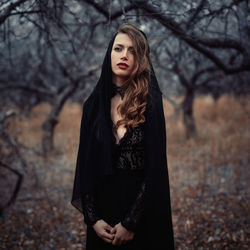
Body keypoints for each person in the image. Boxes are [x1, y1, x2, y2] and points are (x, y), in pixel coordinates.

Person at [71, 23, 175, 250]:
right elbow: (85, 164)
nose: (124, 55)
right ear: (109, 53)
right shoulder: (93, 106)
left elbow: (155, 168)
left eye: (132, 51)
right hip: (103, 219)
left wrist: (130, 223)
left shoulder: (150, 104)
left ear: (141, 59)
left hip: (142, 214)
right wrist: (93, 220)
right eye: (118, 48)